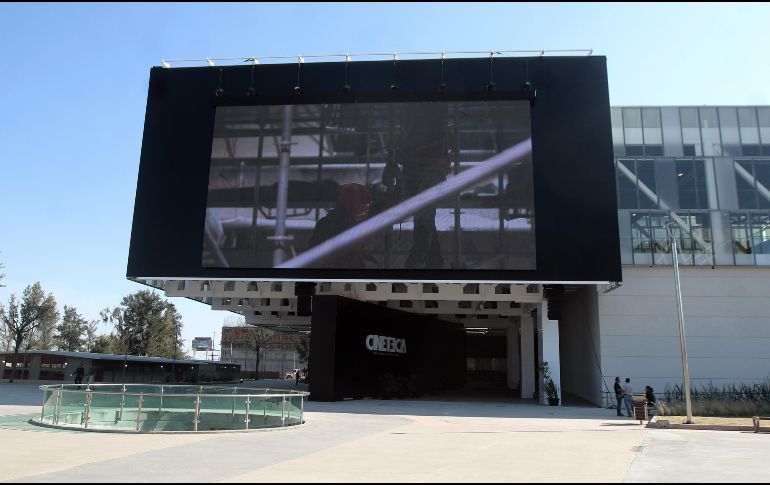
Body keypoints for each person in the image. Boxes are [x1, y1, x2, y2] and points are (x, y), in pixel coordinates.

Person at [382, 102, 454, 269]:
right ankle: (433, 262)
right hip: (416, 167)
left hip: (427, 168)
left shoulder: (422, 108)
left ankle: (416, 262)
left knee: (423, 217)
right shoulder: (414, 110)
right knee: (423, 218)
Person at [307, 183, 375, 268]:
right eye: (362, 205)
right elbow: (316, 258)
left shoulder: (356, 226)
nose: (365, 209)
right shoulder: (328, 225)